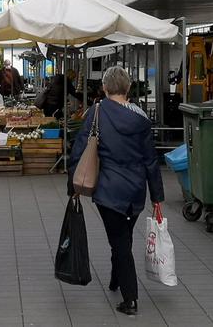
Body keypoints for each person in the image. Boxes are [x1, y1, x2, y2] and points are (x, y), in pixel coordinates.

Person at [67, 66, 164, 316]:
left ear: (105, 88)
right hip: (135, 192)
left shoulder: (97, 112)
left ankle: (130, 299)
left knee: (120, 242)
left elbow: (79, 148)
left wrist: (73, 185)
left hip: (108, 190)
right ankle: (115, 279)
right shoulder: (141, 118)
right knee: (123, 237)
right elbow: (150, 160)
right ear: (129, 88)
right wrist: (157, 197)